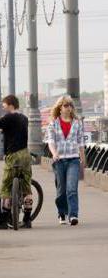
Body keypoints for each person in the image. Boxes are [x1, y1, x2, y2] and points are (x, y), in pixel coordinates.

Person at [0, 94, 33, 229]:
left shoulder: (9, 117)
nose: (2, 106)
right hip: (25, 155)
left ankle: (3, 220)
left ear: (11, 104)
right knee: (26, 187)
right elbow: (2, 128)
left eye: (4, 104)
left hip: (12, 156)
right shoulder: (24, 118)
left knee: (6, 187)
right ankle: (27, 219)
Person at [46, 95, 86, 225]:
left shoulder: (77, 122)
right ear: (60, 108)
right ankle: (62, 213)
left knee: (72, 188)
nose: (69, 108)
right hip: (59, 160)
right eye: (66, 105)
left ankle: (73, 215)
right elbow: (51, 141)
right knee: (61, 190)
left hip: (73, 159)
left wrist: (83, 157)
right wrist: (54, 153)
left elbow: (80, 141)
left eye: (70, 105)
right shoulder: (53, 123)